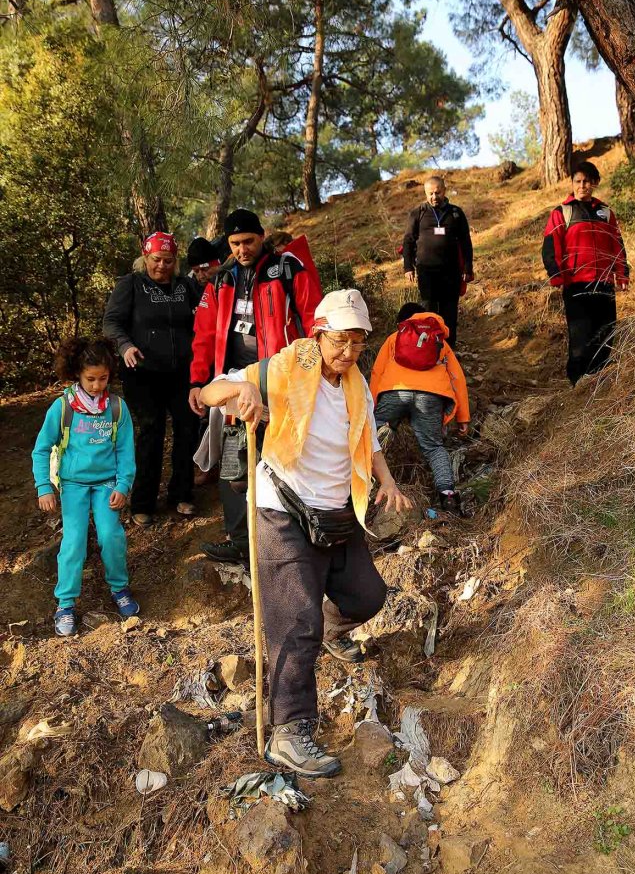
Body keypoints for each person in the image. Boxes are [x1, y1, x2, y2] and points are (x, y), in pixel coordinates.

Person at [200, 289, 411, 778]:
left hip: (336, 512)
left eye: (357, 342)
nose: (349, 352)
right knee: (295, 623)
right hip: (283, 510)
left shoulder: (357, 385)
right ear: (318, 334)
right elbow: (210, 391)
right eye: (340, 341)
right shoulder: (282, 368)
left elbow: (370, 440)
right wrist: (243, 390)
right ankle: (288, 733)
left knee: (367, 596)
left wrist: (388, 482)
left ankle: (328, 632)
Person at [189, 209, 322, 565]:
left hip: (280, 381)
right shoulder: (221, 279)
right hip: (233, 383)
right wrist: (198, 381)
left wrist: (314, 373)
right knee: (234, 462)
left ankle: (290, 539)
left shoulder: (287, 269)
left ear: (262, 236)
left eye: (248, 241)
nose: (242, 249)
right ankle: (241, 542)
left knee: (281, 457)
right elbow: (203, 334)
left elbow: (314, 320)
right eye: (235, 243)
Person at [32, 338, 137, 637]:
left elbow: (125, 451)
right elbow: (41, 449)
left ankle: (119, 588)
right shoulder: (63, 407)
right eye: (90, 379)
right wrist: (44, 486)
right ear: (77, 373)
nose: (96, 385)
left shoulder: (116, 407)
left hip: (106, 484)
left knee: (111, 535)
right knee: (74, 541)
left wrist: (123, 484)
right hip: (73, 484)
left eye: (103, 378)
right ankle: (65, 603)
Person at [103, 232, 201, 526]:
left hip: (181, 371)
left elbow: (204, 317)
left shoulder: (185, 286)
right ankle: (143, 502)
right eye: (156, 259)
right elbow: (111, 322)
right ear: (145, 258)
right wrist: (125, 345)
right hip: (143, 373)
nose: (162, 266)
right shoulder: (131, 284)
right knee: (151, 431)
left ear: (175, 261)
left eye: (168, 261)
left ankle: (181, 493)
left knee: (187, 428)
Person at [370, 303, 470, 512]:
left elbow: (377, 373)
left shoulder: (394, 338)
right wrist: (463, 417)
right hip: (431, 396)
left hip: (395, 392)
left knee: (372, 436)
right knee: (433, 447)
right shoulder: (440, 341)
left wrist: (371, 410)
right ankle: (449, 499)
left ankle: (365, 485)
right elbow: (457, 378)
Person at [542, 160, 630, 386]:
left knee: (605, 335)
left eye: (587, 182)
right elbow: (551, 245)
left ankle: (598, 383)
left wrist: (622, 274)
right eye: (578, 181)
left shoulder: (606, 212)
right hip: (576, 285)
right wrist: (556, 275)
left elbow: (617, 245)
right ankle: (577, 384)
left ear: (595, 183)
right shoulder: (562, 212)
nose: (582, 186)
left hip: (604, 284)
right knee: (580, 339)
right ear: (572, 183)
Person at [402, 175, 474, 347]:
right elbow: (408, 241)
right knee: (429, 311)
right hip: (427, 272)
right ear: (425, 193)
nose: (434, 197)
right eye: (430, 193)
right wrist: (408, 267)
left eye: (438, 192)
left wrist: (468, 267)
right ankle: (430, 349)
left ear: (444, 191)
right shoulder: (418, 213)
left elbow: (465, 241)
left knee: (450, 311)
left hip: (451, 272)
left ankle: (449, 349)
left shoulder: (456, 213)